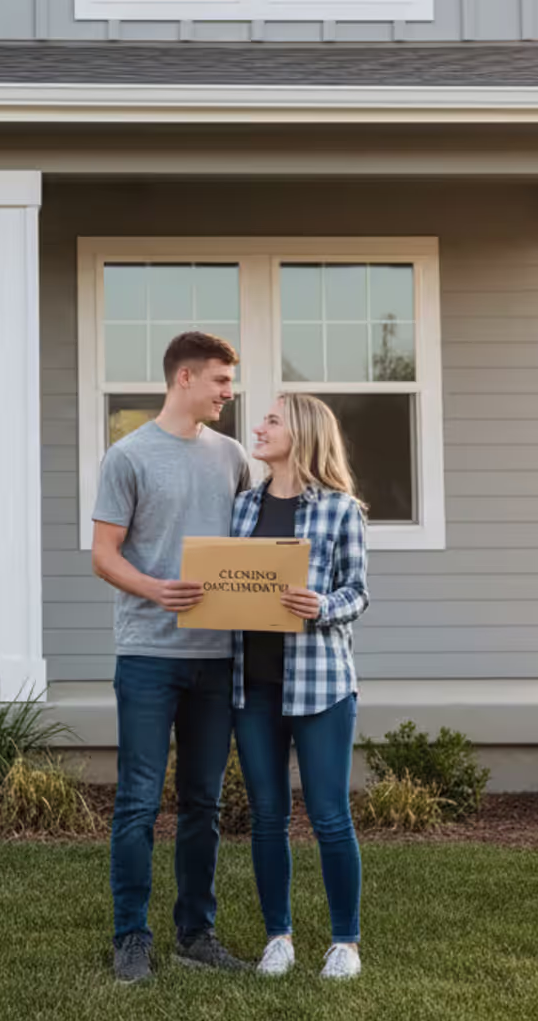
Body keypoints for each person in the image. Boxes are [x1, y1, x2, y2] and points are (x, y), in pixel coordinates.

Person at [91, 331, 257, 985]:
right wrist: (157, 588)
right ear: (185, 378)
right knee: (136, 801)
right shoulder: (128, 457)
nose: (228, 392)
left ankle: (196, 934)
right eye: (220, 380)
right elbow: (104, 556)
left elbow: (249, 547)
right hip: (148, 655)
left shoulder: (234, 456)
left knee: (203, 803)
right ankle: (131, 934)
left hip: (217, 658)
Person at [230, 393, 371, 982]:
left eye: (270, 421)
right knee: (266, 815)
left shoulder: (341, 511)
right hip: (252, 686)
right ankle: (278, 937)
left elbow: (358, 592)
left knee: (329, 816)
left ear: (303, 434)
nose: (257, 428)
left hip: (320, 686)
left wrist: (321, 605)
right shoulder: (241, 507)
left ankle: (345, 942)